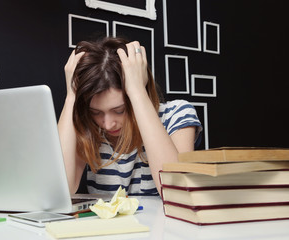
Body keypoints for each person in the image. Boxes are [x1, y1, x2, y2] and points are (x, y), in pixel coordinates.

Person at [58, 37, 202, 196]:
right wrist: (71, 96)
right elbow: (60, 191)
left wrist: (138, 92)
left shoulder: (177, 114)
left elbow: (176, 192)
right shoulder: (88, 128)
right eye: (95, 112)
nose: (108, 124)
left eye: (119, 110)